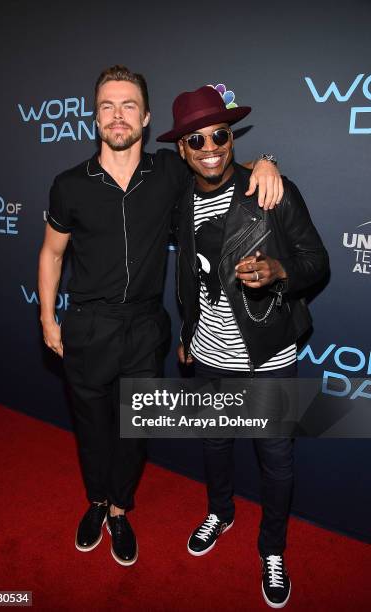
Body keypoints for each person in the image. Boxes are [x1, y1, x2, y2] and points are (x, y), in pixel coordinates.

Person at [38, 66, 283, 567]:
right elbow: (52, 255)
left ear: (146, 118)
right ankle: (97, 502)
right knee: (91, 428)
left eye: (128, 105)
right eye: (107, 106)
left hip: (146, 327)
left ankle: (121, 510)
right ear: (95, 118)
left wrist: (266, 161)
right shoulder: (68, 185)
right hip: (86, 325)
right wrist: (47, 318)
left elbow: (219, 163)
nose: (117, 115)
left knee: (133, 429)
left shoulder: (170, 171)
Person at [157, 85, 329, 606]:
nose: (210, 146)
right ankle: (221, 511)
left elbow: (317, 262)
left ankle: (272, 549)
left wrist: (280, 270)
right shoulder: (180, 200)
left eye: (220, 134)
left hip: (267, 357)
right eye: (196, 139)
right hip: (209, 356)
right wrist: (188, 332)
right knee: (214, 443)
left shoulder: (270, 191)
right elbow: (189, 273)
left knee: (276, 459)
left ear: (232, 138)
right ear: (182, 150)